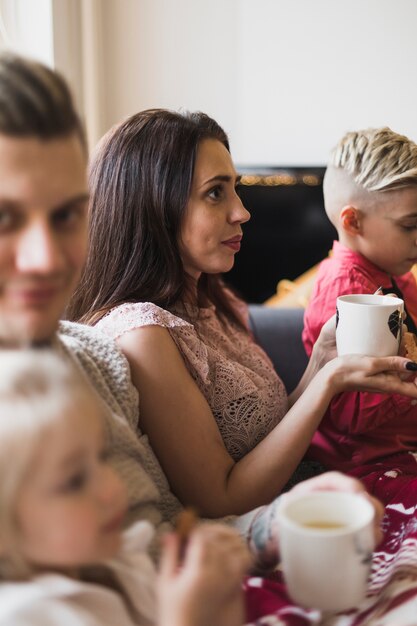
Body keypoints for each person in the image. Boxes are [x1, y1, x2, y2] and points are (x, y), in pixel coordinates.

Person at [68, 109, 417, 519]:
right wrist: (328, 383)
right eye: (216, 193)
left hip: (304, 490)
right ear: (152, 205)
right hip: (254, 532)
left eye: (234, 189)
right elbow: (221, 501)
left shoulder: (213, 304)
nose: (242, 211)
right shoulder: (143, 334)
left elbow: (268, 435)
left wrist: (319, 366)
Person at [0, 348, 251, 626]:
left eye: (102, 457)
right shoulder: (24, 615)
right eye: (74, 482)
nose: (112, 487)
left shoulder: (118, 560)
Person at [302, 127, 417, 502]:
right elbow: (350, 414)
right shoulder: (345, 291)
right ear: (353, 222)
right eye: (409, 225)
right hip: (362, 466)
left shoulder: (394, 273)